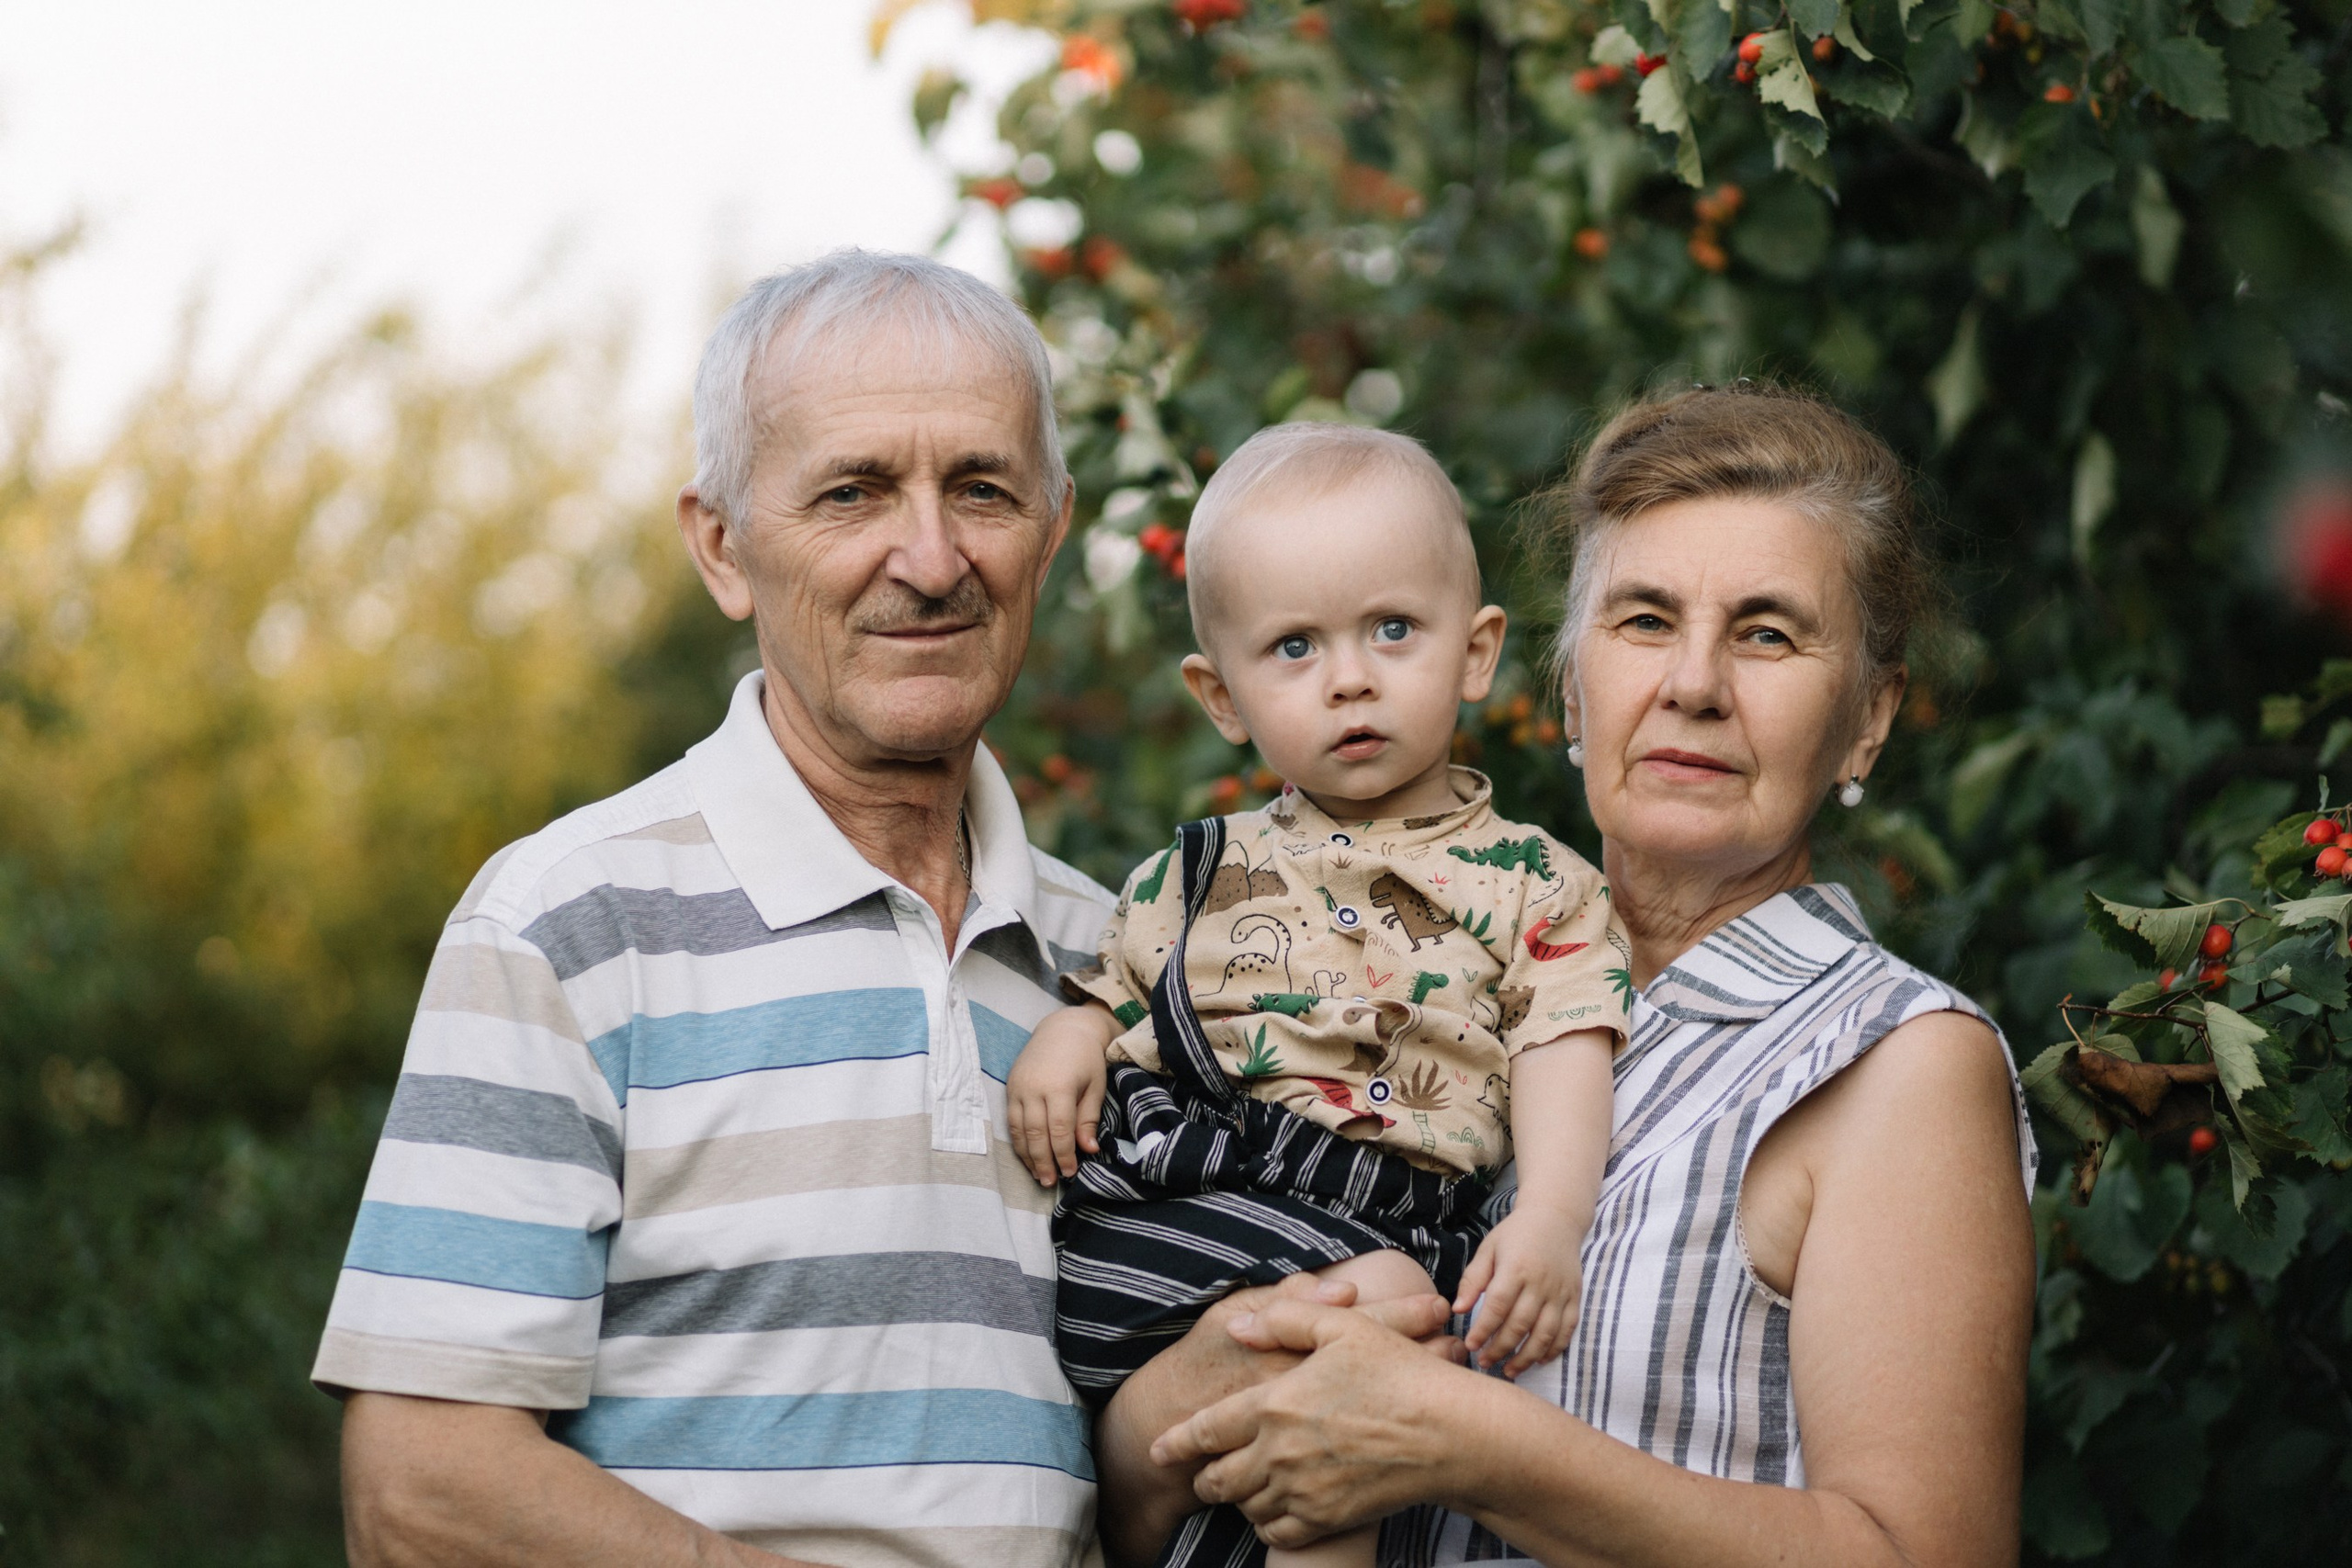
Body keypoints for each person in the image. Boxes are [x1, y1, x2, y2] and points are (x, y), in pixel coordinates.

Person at [1100, 385, 2041, 1568]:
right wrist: (1159, 1420)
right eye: (1644, 621)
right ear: (1564, 688)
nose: (1694, 683)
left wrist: (1475, 1446)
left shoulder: (1891, 1064)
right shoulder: (1409, 1001)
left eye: (1766, 633)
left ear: (1868, 719)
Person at [315, 252, 1118, 1568]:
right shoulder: (568, 925)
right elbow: (420, 1489)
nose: (930, 557)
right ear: (723, 547)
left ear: (1052, 532)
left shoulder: (1118, 959)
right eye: (853, 492)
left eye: (981, 488)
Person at [1006, 423, 1631, 1568]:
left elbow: (1563, 1042)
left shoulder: (1536, 882)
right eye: (1293, 647)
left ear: (1477, 651)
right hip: (1176, 1223)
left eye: (1392, 629)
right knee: (1382, 1320)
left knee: (1343, 1414)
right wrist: (1071, 1031)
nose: (1349, 676)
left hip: (1373, 1217)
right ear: (1221, 695)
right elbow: (1115, 994)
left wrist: (1549, 1215)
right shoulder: (1193, 871)